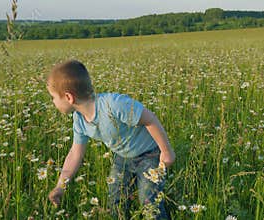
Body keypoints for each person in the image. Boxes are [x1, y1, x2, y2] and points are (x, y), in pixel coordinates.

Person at [46, 59, 175, 219]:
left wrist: (166, 152)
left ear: (68, 97)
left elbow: (150, 119)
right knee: (115, 198)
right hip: (123, 158)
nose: (52, 102)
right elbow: (75, 154)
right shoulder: (79, 120)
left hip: (149, 153)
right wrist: (60, 186)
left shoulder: (113, 105)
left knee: (149, 200)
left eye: (53, 97)